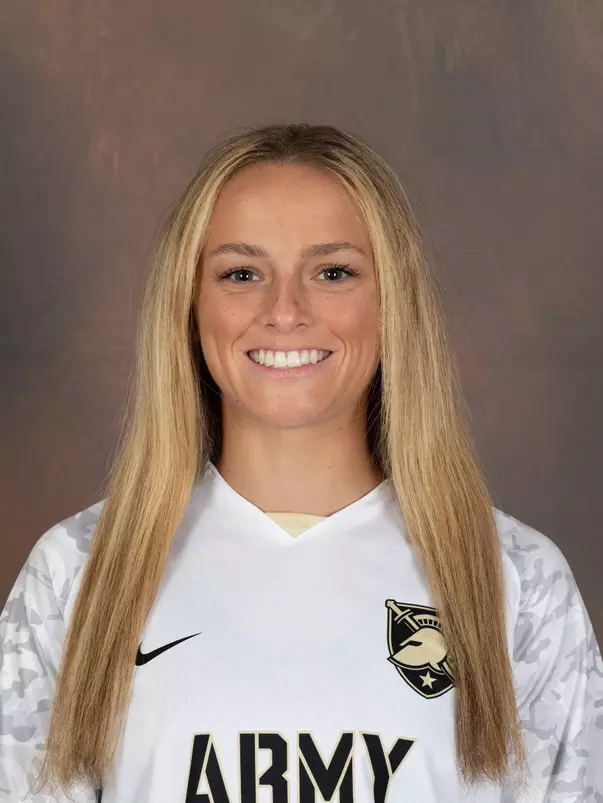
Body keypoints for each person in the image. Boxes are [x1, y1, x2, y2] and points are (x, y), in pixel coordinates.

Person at [0, 123, 601, 803]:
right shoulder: (78, 575)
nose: (283, 311)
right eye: (242, 273)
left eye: (332, 271)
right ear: (189, 303)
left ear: (390, 301)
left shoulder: (516, 584)